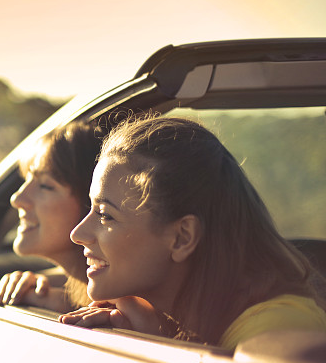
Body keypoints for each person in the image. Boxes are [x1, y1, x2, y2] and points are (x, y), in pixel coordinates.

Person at [60, 115, 326, 348]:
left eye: (105, 214)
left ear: (182, 237)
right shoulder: (180, 317)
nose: (77, 233)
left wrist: (158, 352)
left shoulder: (276, 329)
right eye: (90, 208)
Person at [0, 122, 101, 313]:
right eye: (27, 180)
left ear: (93, 204)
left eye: (46, 186)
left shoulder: (125, 310)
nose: (17, 199)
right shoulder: (50, 287)